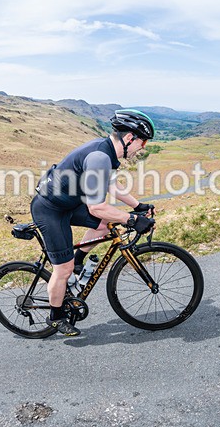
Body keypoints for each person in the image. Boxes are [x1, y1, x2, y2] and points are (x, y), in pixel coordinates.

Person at [31, 109, 157, 336]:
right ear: (130, 138)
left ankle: (78, 259)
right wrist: (132, 219)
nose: (144, 147)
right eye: (143, 141)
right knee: (63, 270)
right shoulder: (100, 157)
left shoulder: (106, 151)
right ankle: (56, 317)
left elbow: (111, 186)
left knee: (101, 225)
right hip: (50, 209)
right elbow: (96, 207)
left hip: (68, 202)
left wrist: (138, 206)